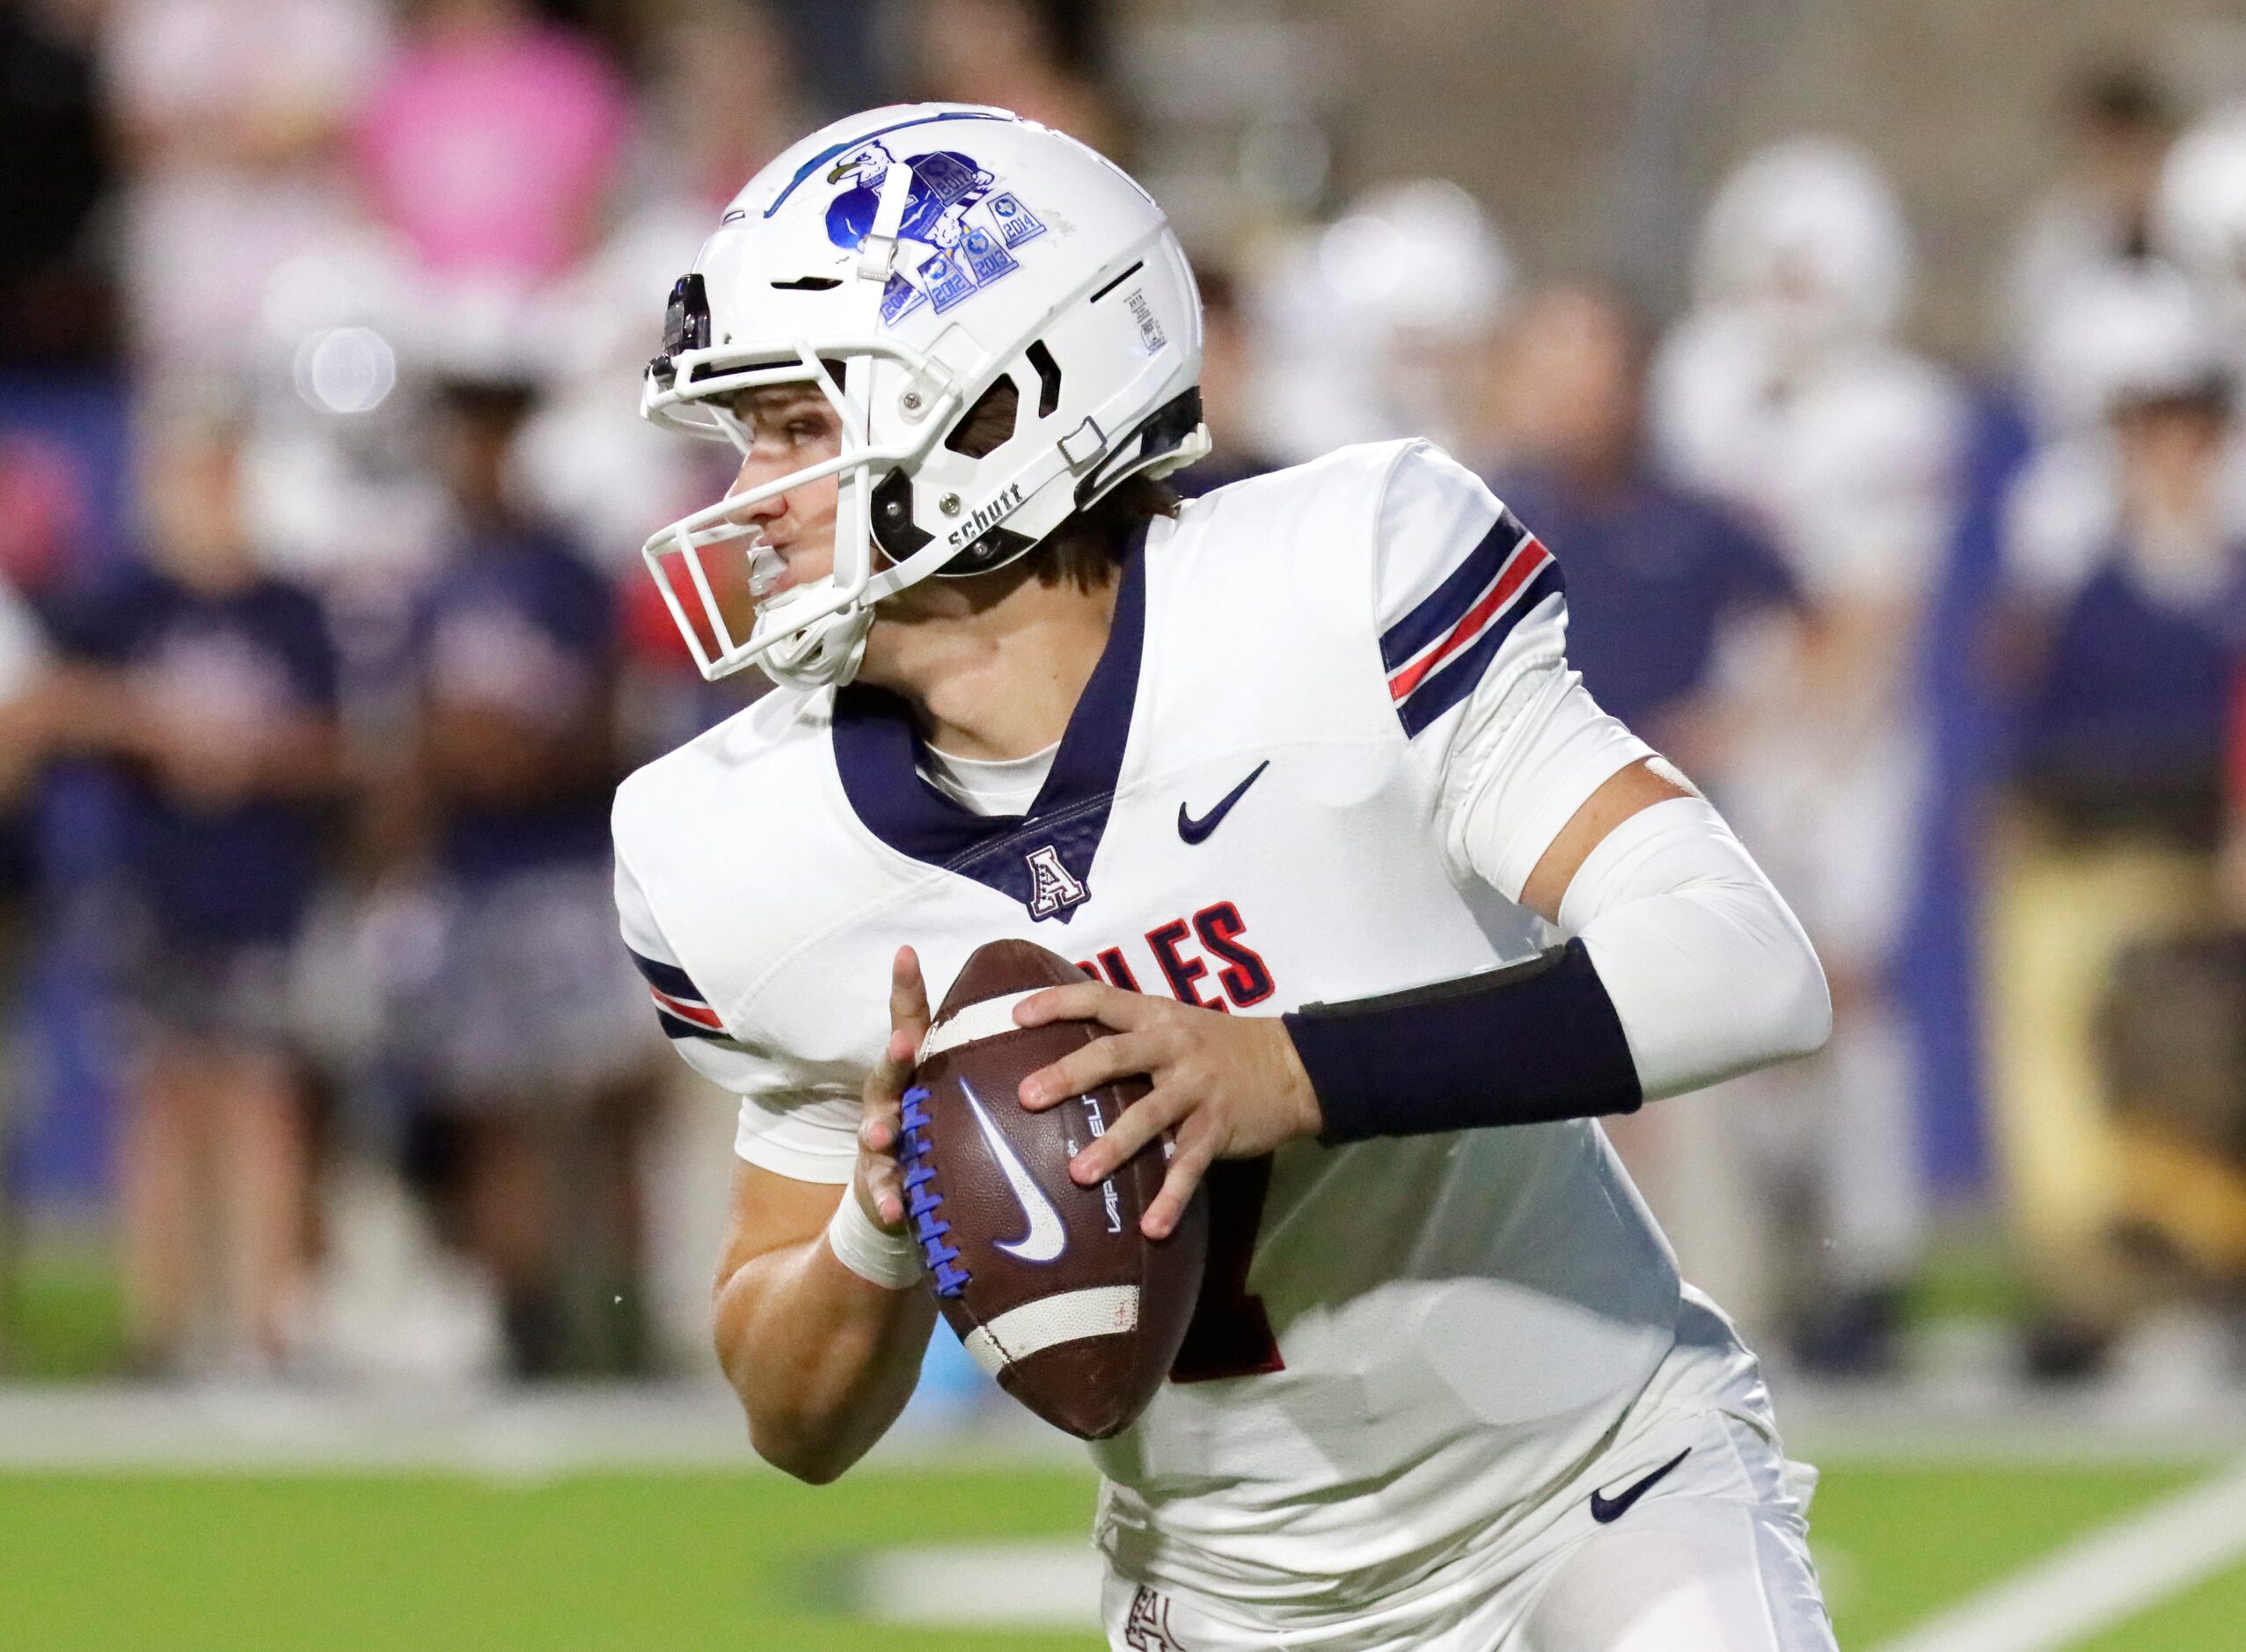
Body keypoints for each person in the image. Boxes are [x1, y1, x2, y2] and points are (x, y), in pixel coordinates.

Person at [615, 106, 1834, 1648]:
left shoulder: (1339, 582)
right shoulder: (733, 835)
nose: (750, 497)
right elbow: (789, 1413)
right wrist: (878, 1224)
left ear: (1003, 405)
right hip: (1232, 1603)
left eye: (801, 425)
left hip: (1594, 1495)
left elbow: (1740, 961)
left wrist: (1284, 1068)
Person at [43, 405, 342, 1374]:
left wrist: (247, 753)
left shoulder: (288, 608)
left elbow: (339, 745)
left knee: (259, 1099)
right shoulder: (127, 602)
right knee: (161, 1102)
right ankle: (162, 1324)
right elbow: (55, 702)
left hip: (259, 887)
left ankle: (264, 1325)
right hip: (154, 886)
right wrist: (155, 726)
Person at [396, 373, 655, 1376]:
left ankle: (625, 1325)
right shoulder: (431, 576)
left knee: (600, 1101)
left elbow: (615, 717)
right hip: (473, 875)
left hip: (565, 865)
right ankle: (529, 1330)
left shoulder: (567, 575)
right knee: (495, 1109)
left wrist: (519, 758)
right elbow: (408, 733)